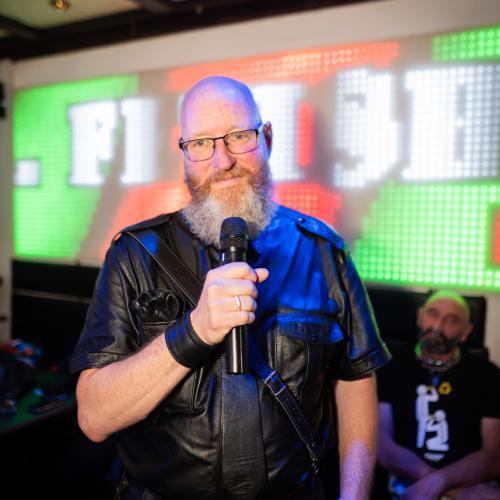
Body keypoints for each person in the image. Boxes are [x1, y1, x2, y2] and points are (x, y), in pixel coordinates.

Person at [70, 75, 391, 500]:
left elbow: (355, 380)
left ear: (267, 138)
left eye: (239, 136)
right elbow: (94, 418)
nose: (222, 161)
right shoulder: (134, 255)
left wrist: (355, 496)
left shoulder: (322, 251)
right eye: (201, 143)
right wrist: (194, 331)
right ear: (184, 153)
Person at [376, 290, 500, 499]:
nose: (438, 326)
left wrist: (440, 482)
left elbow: (494, 455)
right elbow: (381, 445)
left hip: (471, 483)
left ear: (467, 331)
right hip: (404, 486)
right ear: (419, 316)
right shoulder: (388, 366)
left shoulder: (487, 374)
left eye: (452, 320)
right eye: (432, 314)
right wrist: (448, 487)